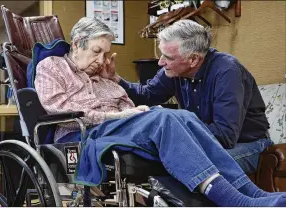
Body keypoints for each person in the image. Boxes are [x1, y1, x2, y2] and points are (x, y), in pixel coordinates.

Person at [34, 17, 286, 206]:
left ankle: (252, 196)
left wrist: (131, 109)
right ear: (77, 44)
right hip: (88, 131)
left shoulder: (225, 70)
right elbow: (58, 108)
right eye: (96, 52)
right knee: (165, 116)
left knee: (182, 116)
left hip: (125, 129)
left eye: (105, 53)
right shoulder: (53, 67)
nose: (101, 60)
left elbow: (129, 103)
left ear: (193, 59)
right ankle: (238, 202)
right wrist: (120, 114)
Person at [103, 19, 274, 175]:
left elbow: (225, 136)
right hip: (211, 143)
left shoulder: (227, 72)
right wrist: (114, 78)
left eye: (168, 57)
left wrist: (175, 124)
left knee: (195, 168)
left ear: (193, 59)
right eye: (161, 54)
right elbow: (146, 95)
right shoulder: (173, 71)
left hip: (250, 145)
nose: (161, 62)